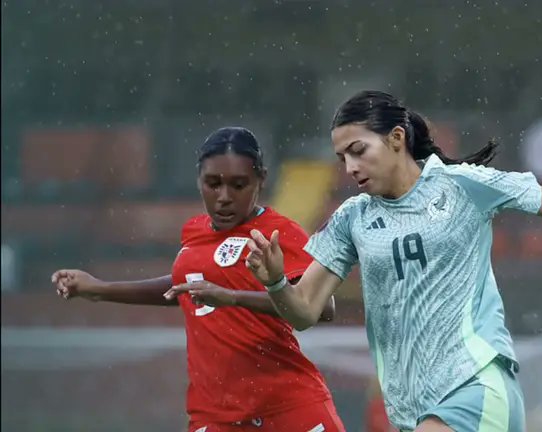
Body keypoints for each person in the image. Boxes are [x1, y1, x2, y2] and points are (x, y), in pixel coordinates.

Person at [244, 91, 542, 432]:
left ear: (396, 138)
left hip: (475, 386)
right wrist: (277, 281)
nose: (350, 167)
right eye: (342, 158)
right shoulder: (352, 218)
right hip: (411, 412)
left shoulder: (461, 185)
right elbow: (303, 312)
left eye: (357, 150)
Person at [51, 127, 345, 432]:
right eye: (213, 184)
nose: (224, 197)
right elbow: (183, 285)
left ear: (261, 179)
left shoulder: (278, 232)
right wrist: (97, 288)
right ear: (199, 181)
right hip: (216, 417)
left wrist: (232, 296)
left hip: (287, 409)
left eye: (239, 185)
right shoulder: (195, 232)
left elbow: (323, 308)